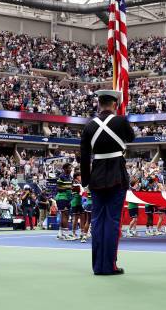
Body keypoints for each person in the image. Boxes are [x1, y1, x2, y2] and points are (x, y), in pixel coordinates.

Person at [80, 89, 135, 275]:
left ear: (99, 104)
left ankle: (98, 266)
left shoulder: (89, 126)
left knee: (97, 221)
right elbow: (132, 137)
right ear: (114, 105)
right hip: (116, 177)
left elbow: (84, 157)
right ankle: (109, 265)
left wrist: (85, 181)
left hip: (96, 178)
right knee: (112, 222)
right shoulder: (120, 121)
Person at [55, 163, 73, 240]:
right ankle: (66, 234)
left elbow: (71, 187)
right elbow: (58, 188)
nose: (71, 169)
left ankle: (61, 233)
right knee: (65, 214)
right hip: (62, 197)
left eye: (71, 168)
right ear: (65, 169)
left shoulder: (70, 177)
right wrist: (67, 188)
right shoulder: (61, 177)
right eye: (69, 168)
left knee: (65, 215)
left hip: (68, 198)